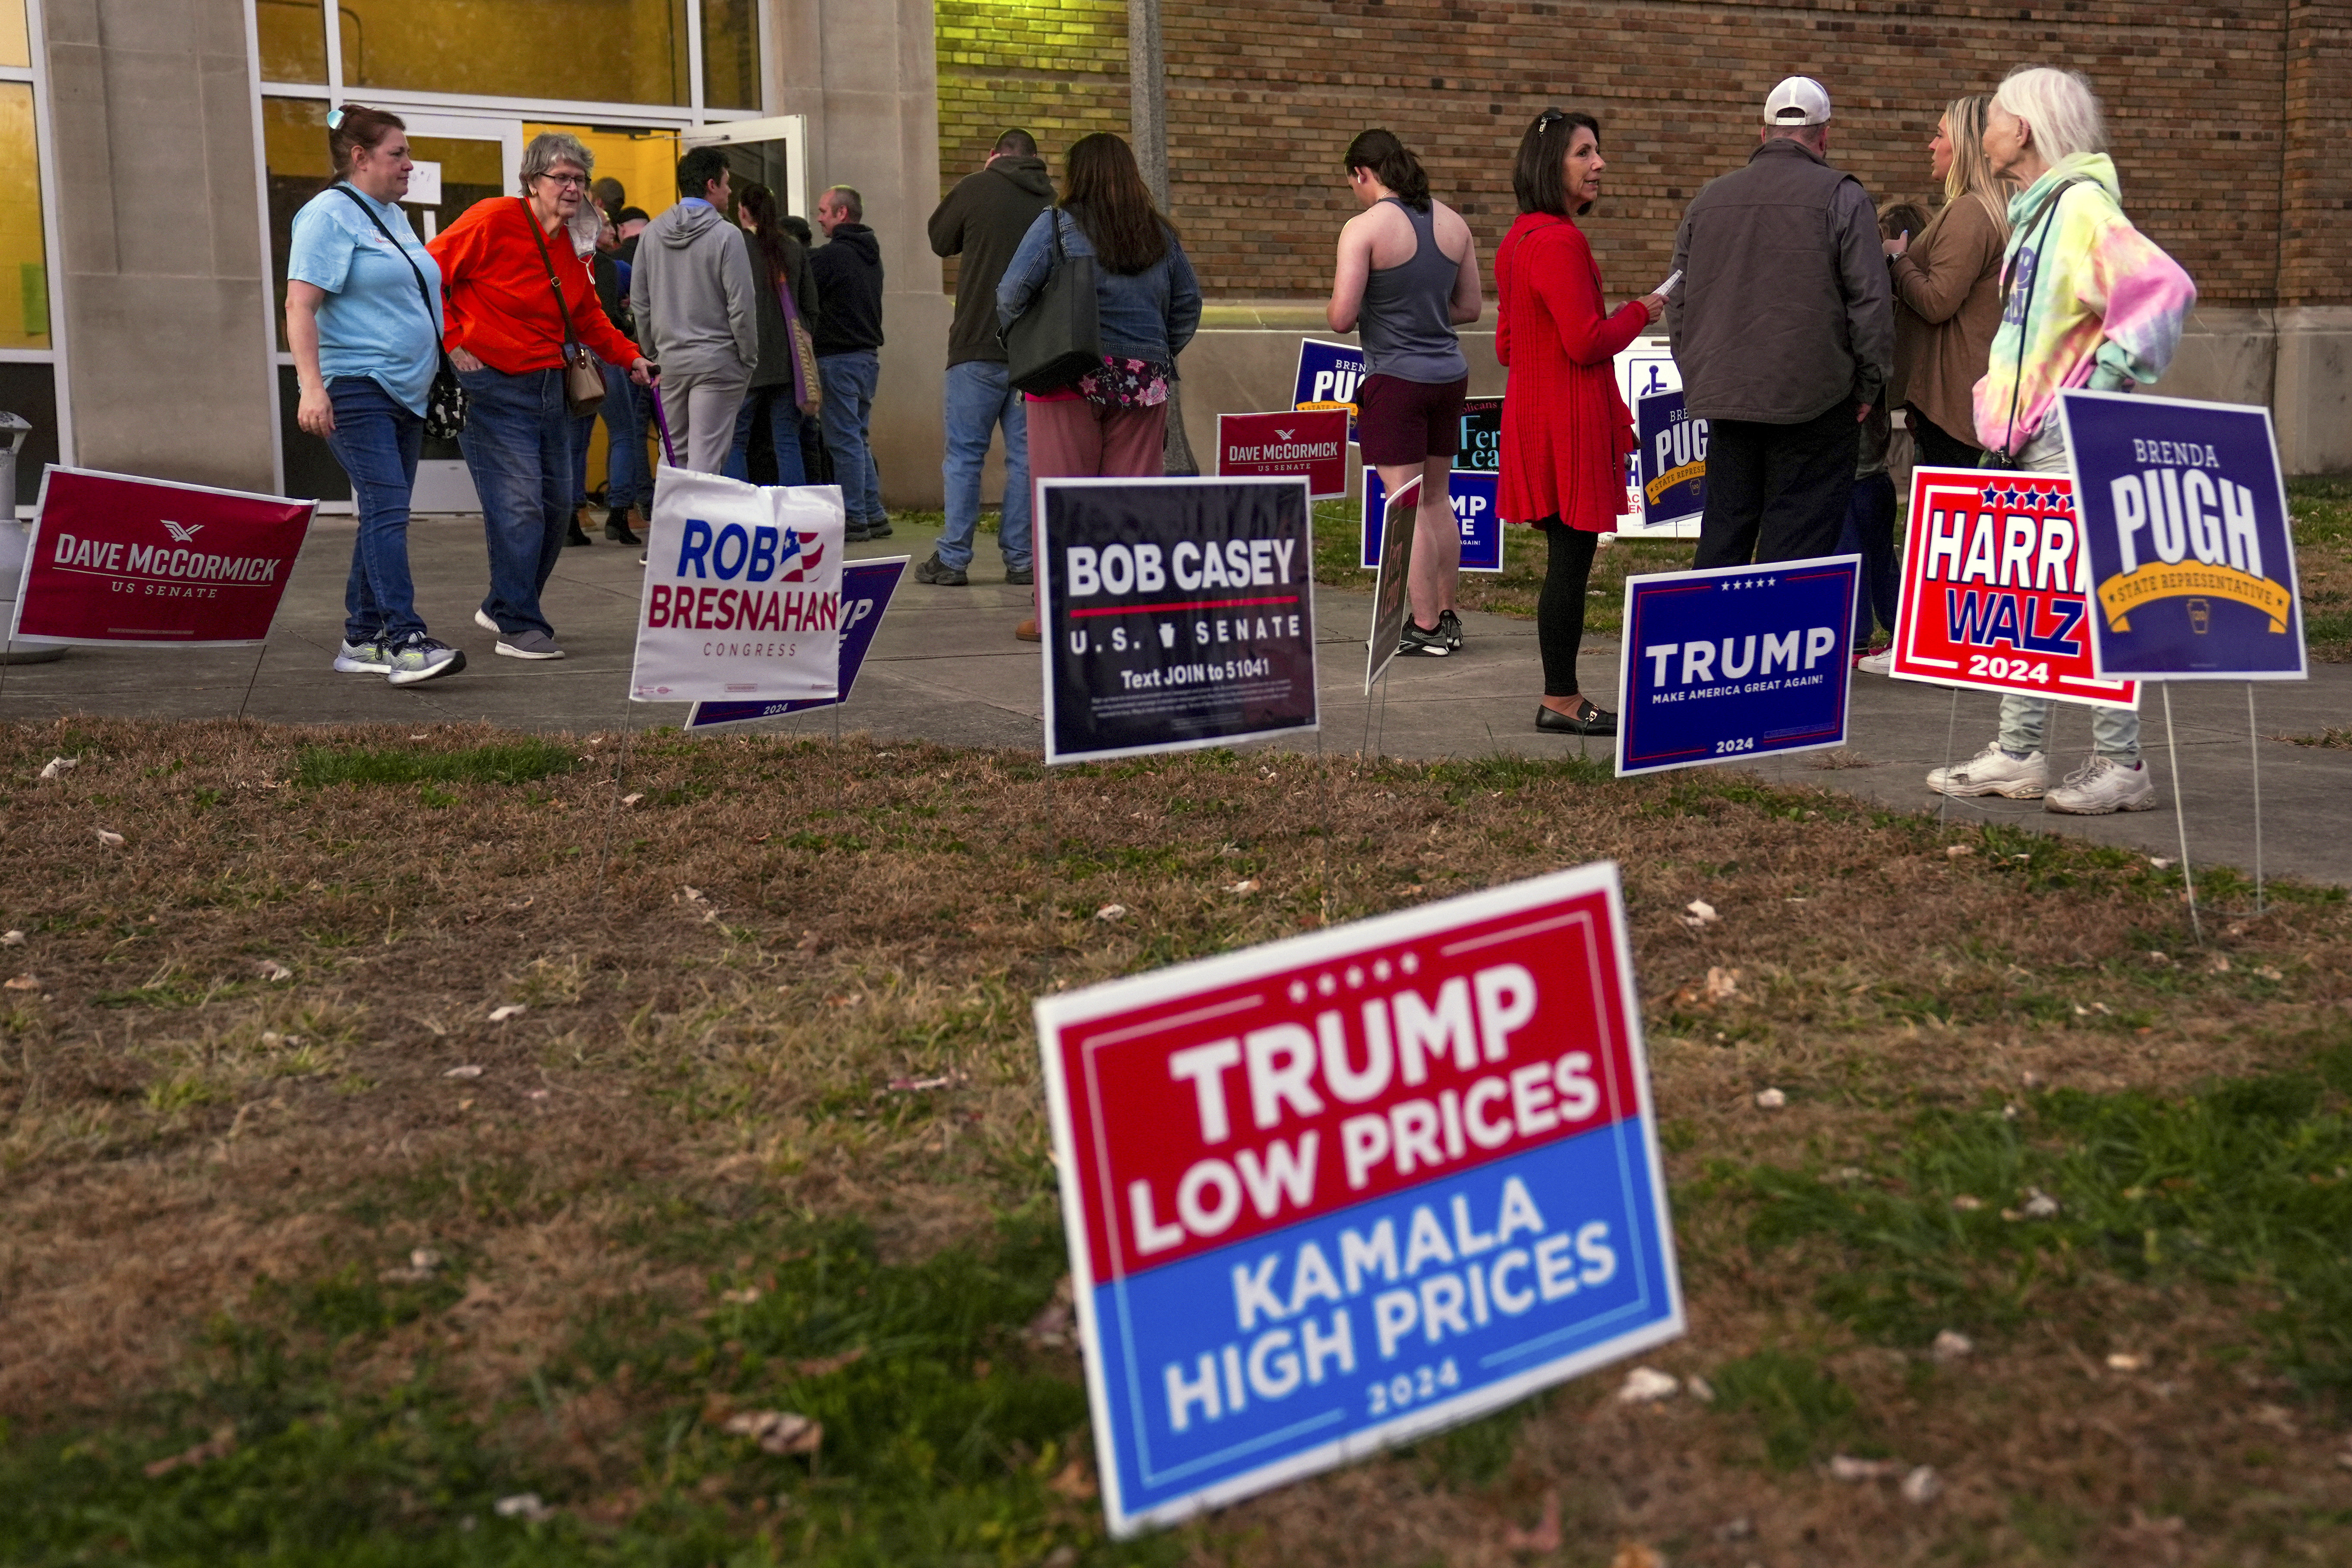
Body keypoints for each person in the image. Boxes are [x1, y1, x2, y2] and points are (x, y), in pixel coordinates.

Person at [1928, 64, 2197, 814]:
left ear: (2028, 129)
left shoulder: (2078, 208)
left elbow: (2162, 289)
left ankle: (2123, 763)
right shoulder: (2041, 211)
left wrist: (2096, 392)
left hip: (2062, 438)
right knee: (2026, 593)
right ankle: (2020, 751)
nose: (1986, 129)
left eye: (1998, 116)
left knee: (2087, 596)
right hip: (2031, 440)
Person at [429, 131, 654, 661]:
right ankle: (519, 624)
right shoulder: (492, 218)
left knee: (557, 506)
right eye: (562, 177)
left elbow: (588, 317)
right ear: (532, 181)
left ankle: (505, 600)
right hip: (492, 385)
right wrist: (453, 340)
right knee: (520, 505)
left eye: (580, 179)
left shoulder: (577, 240)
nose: (573, 188)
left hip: (552, 384)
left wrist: (631, 357)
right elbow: (424, 275)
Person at [1668, 76, 1892, 567]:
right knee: (1796, 545)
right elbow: (1870, 303)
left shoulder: (1708, 200)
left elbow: (1677, 299)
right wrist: (1868, 386)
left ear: (1762, 132)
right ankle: (1773, 639)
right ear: (1824, 135)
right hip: (1816, 400)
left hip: (1729, 399)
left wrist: (1698, 375)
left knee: (1724, 530)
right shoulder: (1843, 197)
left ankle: (1710, 637)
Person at [284, 104, 464, 687]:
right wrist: (311, 387)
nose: (409, 164)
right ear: (360, 159)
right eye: (398, 153)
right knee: (387, 509)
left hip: (406, 391)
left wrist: (448, 351)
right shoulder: (326, 217)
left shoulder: (390, 215)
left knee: (382, 515)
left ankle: (361, 640)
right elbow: (300, 306)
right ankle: (406, 642)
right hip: (356, 387)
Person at [998, 131, 1201, 642]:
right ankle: (1123, 614)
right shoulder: (1159, 234)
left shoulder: (1056, 224)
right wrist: (1155, 355)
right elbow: (1187, 307)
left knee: (1064, 501)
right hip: (1142, 385)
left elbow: (1010, 294)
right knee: (1130, 504)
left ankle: (1058, 617)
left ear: (1077, 174)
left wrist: (1025, 341)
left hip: (1067, 377)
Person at [1494, 109, 1660, 735]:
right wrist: (1643, 309)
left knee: (1565, 556)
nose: (1599, 165)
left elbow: (1507, 346)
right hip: (1566, 419)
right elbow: (1587, 342)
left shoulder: (1517, 240)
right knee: (1570, 559)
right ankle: (1560, 697)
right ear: (1551, 167)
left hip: (1533, 414)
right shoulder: (1561, 242)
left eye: (1597, 152)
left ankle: (1559, 694)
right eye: (1584, 154)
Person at [1327, 129, 1482, 658]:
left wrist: (1381, 303)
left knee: (1405, 506)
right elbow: (1469, 309)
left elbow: (1341, 317)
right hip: (1448, 375)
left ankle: (1422, 625)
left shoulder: (1363, 228)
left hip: (1395, 377)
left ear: (1361, 174)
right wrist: (1425, 306)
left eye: (1352, 182)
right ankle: (1446, 615)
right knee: (1437, 498)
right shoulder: (1453, 222)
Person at [922, 128, 1057, 588]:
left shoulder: (977, 187)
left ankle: (954, 559)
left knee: (963, 455)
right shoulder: (1054, 203)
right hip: (1032, 354)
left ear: (994, 155)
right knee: (1024, 457)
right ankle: (1020, 559)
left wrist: (978, 182)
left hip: (977, 344)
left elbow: (940, 238)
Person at [1888, 94, 2011, 471]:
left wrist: (1896, 260)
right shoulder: (1991, 209)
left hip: (1954, 408)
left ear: (1964, 148)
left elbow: (1938, 301)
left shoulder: (1970, 212)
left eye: (1940, 135)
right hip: (1966, 399)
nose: (1932, 145)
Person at [629, 146, 757, 475]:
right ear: (712, 184)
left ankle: (672, 526)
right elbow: (741, 305)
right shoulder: (728, 236)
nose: (731, 191)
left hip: (670, 362)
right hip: (717, 362)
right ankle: (698, 526)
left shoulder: (651, 234)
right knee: (706, 459)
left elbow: (640, 303)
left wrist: (655, 354)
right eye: (727, 183)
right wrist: (748, 358)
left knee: (673, 458)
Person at [810, 184, 892, 542]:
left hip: (838, 360)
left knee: (843, 441)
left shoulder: (831, 257)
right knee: (858, 438)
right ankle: (874, 514)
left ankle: (854, 518)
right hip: (866, 360)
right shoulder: (871, 256)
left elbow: (805, 294)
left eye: (824, 212)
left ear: (842, 214)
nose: (818, 219)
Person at [724, 181, 817, 488]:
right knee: (787, 440)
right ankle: (795, 515)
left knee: (735, 439)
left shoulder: (734, 245)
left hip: (745, 360)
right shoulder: (792, 247)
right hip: (789, 363)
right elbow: (810, 308)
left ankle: (741, 512)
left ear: (743, 211)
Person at [588, 203, 649, 545]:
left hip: (571, 357)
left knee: (575, 438)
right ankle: (619, 514)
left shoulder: (563, 263)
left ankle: (570, 518)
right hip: (606, 353)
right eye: (608, 227)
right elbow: (632, 299)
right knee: (624, 432)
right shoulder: (615, 268)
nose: (612, 232)